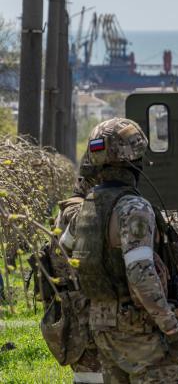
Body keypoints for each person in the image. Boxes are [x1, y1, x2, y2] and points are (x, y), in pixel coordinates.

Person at [62, 118, 178, 383]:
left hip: (102, 329)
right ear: (136, 157)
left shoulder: (86, 208)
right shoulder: (133, 208)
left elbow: (65, 258)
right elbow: (140, 275)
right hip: (137, 331)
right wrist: (171, 328)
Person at [45, 154, 103, 384]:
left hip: (77, 307)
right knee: (92, 375)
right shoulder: (78, 212)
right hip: (84, 308)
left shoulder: (71, 208)